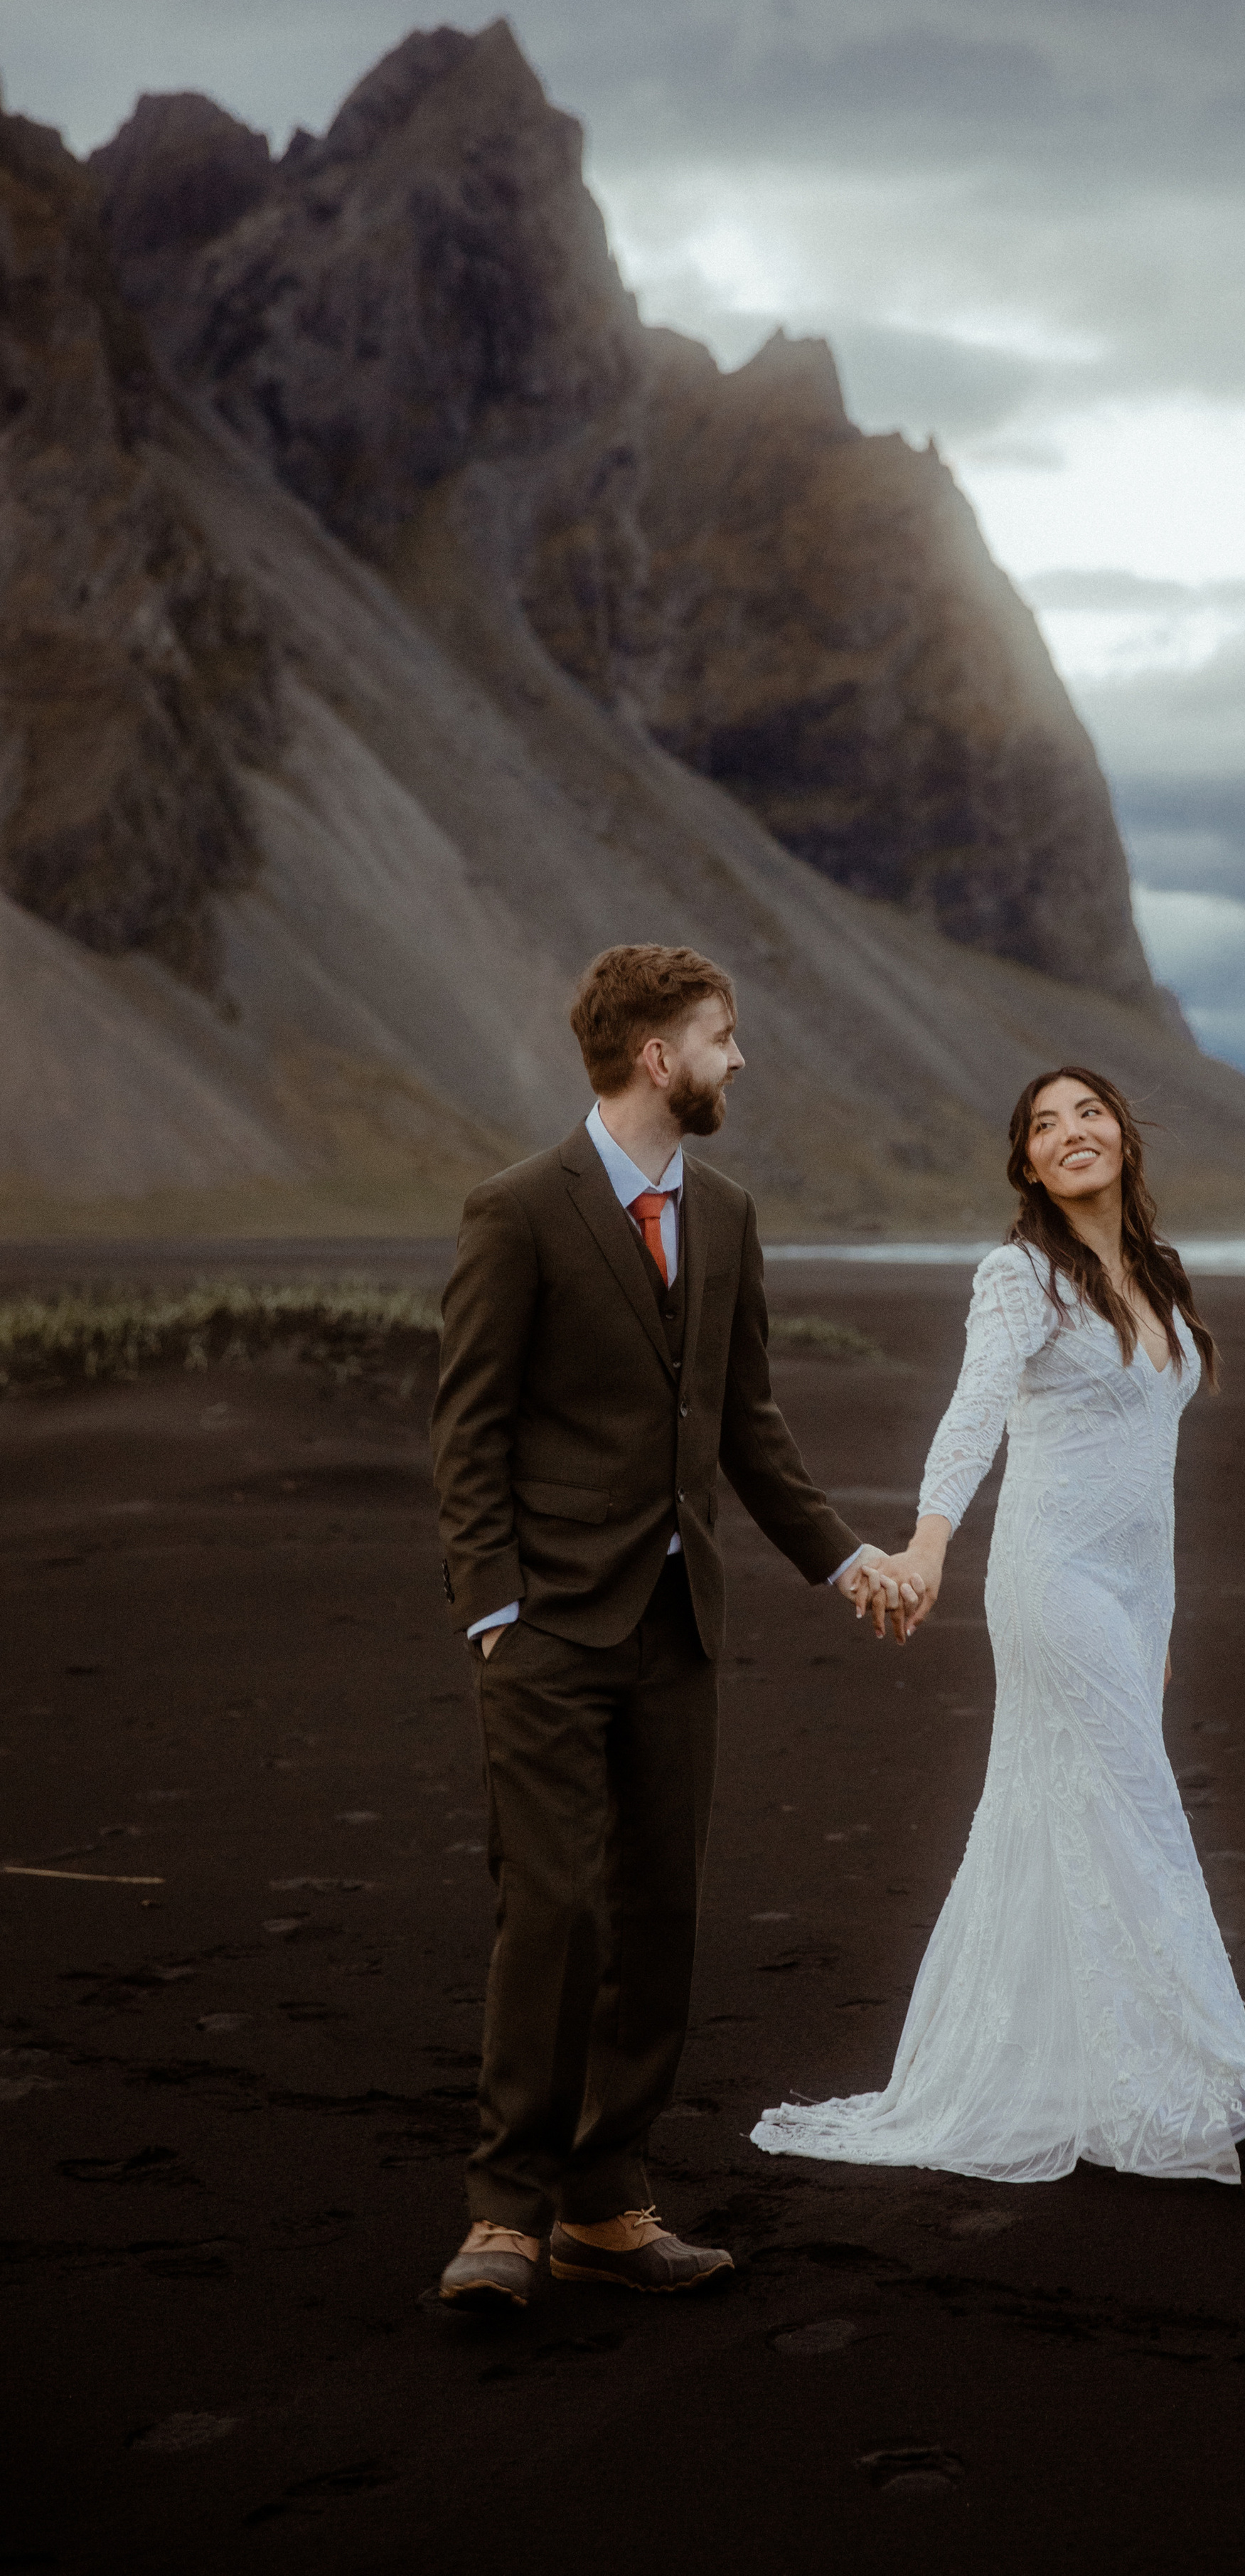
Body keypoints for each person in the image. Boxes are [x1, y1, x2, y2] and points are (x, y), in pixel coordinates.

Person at [753, 1066, 1245, 2196]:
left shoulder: (1157, 1281)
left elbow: (1155, 1487)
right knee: (1146, 1822)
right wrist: (929, 1545)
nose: (1069, 1131)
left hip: (1129, 1599)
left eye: (1088, 1113)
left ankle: (1072, 2078)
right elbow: (975, 1407)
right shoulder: (1019, 1274)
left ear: (1123, 1139)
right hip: (1047, 1582)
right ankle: (1244, 2102)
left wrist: (1162, 1624)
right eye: (1044, 1124)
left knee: (1058, 1822)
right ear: (1028, 1166)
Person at [429, 944, 911, 2308]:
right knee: (553, 1911)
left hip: (676, 1626)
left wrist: (844, 1560)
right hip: (546, 1633)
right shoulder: (518, 1210)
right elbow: (467, 1432)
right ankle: (502, 2218)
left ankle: (608, 2201)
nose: (739, 1057)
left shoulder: (733, 1214)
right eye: (721, 1035)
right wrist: (494, 1615)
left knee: (658, 1915)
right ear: (659, 1057)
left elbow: (747, 1427)